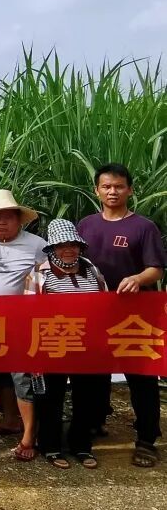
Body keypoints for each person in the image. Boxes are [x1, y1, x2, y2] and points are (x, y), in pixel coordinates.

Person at [77, 163, 165, 467]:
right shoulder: (86, 225)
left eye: (118, 186)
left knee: (141, 375)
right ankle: (95, 421)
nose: (112, 192)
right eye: (106, 186)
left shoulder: (143, 227)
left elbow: (156, 268)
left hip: (135, 314)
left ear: (130, 190)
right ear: (96, 191)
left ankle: (147, 439)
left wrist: (138, 279)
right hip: (96, 312)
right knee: (94, 371)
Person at [24, 219, 108, 470]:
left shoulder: (92, 270)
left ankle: (81, 445)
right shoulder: (39, 274)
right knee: (51, 397)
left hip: (87, 346)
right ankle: (50, 446)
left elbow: (106, 304)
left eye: (73, 244)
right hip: (52, 344)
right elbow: (29, 313)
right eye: (61, 246)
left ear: (80, 246)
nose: (68, 250)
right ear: (52, 249)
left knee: (87, 397)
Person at [0, 190, 46, 461]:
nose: (1, 222)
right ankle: (10, 420)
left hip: (23, 322)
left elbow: (49, 278)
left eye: (7, 217)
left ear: (19, 220)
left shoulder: (37, 245)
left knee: (22, 376)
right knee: (0, 373)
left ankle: (29, 435)